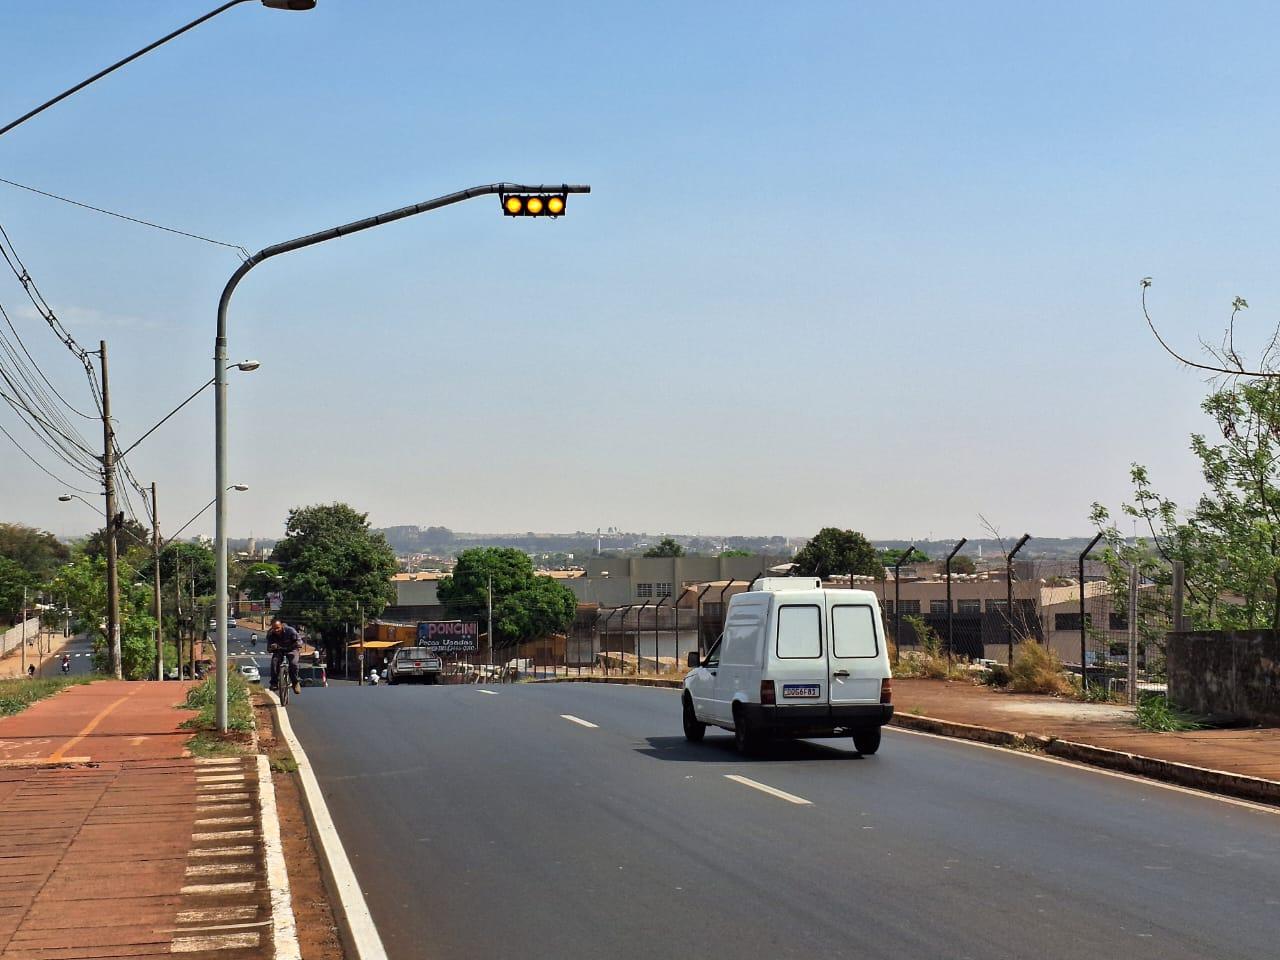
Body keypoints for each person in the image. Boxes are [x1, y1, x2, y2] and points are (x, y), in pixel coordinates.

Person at [267, 618, 302, 695]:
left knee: (293, 664)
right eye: (274, 628)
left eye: (278, 628)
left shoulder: (290, 631)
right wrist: (272, 647)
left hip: (292, 649)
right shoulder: (270, 634)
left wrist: (297, 644)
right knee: (274, 663)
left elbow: (299, 641)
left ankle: (295, 683)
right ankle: (274, 683)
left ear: (281, 626)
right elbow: (268, 648)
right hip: (279, 651)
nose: (276, 630)